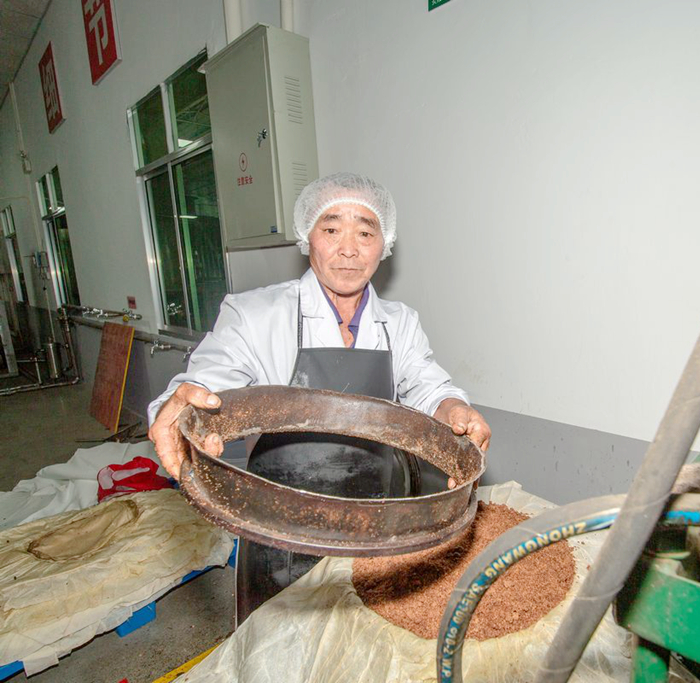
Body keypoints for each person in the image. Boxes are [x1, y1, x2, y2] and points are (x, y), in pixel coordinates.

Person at [146, 172, 490, 622]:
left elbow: (428, 385)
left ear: (384, 244)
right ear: (307, 237)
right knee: (279, 638)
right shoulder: (256, 314)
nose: (349, 249)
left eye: (365, 233)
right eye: (331, 229)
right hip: (282, 520)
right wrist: (181, 408)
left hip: (380, 517)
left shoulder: (399, 322)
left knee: (365, 635)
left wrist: (452, 407)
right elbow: (204, 383)